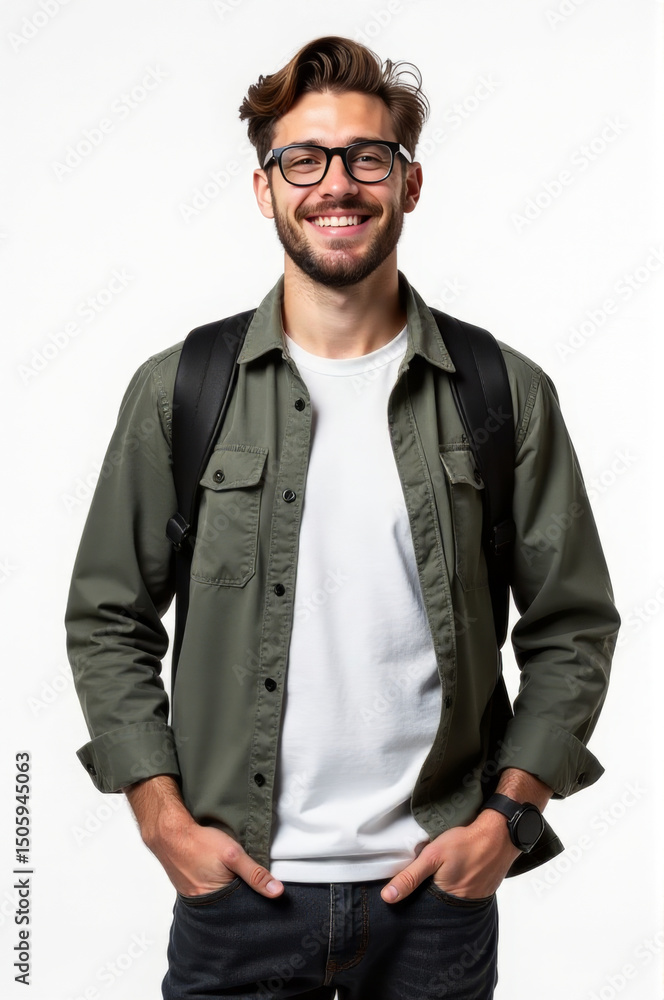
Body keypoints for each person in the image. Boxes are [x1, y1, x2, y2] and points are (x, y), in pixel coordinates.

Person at [65, 35, 620, 1000]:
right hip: (237, 896)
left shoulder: (504, 392)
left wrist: (507, 820)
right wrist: (159, 815)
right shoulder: (181, 390)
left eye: (368, 158)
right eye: (305, 159)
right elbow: (107, 617)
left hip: (434, 904)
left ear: (409, 184)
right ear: (265, 188)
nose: (338, 185)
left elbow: (573, 627)